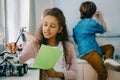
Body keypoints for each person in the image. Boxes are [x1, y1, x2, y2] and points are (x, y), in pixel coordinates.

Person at [6, 8, 78, 80]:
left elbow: (75, 73)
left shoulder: (68, 46)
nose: (47, 29)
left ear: (59, 29)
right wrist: (12, 53)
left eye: (52, 26)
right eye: (45, 24)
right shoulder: (34, 45)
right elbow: (18, 61)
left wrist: (57, 74)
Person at [73, 1, 120, 80]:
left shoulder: (77, 25)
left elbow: (76, 40)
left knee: (109, 47)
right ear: (93, 13)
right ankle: (108, 59)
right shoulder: (91, 22)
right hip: (89, 52)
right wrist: (101, 17)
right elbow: (104, 29)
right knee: (103, 73)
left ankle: (108, 61)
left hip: (86, 51)